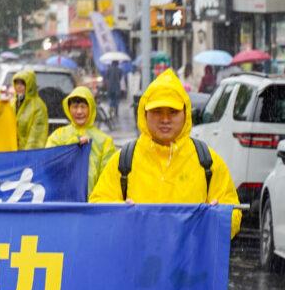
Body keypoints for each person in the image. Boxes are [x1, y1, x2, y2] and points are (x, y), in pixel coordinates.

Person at [91, 69, 240, 237]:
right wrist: (118, 213)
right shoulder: (124, 161)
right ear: (144, 114)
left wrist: (217, 217)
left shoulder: (207, 161)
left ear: (185, 114)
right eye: (157, 112)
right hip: (137, 261)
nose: (165, 119)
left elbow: (233, 212)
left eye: (173, 112)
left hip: (190, 261)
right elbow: (97, 207)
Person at [46, 87, 118, 195]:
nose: (79, 111)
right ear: (68, 108)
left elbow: (108, 177)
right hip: (63, 200)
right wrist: (74, 145)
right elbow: (49, 165)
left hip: (92, 204)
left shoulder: (104, 141)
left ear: (91, 108)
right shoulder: (57, 136)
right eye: (75, 107)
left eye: (83, 107)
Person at [12, 70, 49, 149]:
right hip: (13, 154)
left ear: (30, 85)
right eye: (16, 83)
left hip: (28, 155)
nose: (18, 86)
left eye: (22, 83)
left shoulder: (38, 106)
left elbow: (36, 137)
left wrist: (27, 156)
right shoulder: (13, 103)